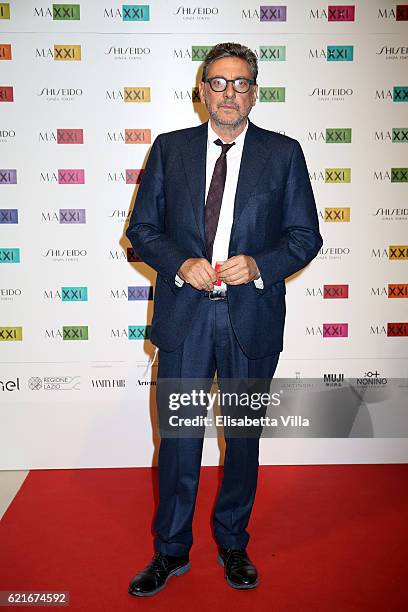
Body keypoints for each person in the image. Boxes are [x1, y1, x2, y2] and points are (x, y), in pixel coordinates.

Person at [126, 42, 323, 597]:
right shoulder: (170, 150)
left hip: (250, 320)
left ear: (254, 91)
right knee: (181, 440)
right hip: (186, 318)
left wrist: (259, 264)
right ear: (202, 90)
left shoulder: (283, 154)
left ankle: (233, 543)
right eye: (218, 82)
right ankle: (170, 551)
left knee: (242, 439)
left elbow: (306, 238)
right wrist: (181, 262)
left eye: (240, 83)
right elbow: (142, 231)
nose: (229, 92)